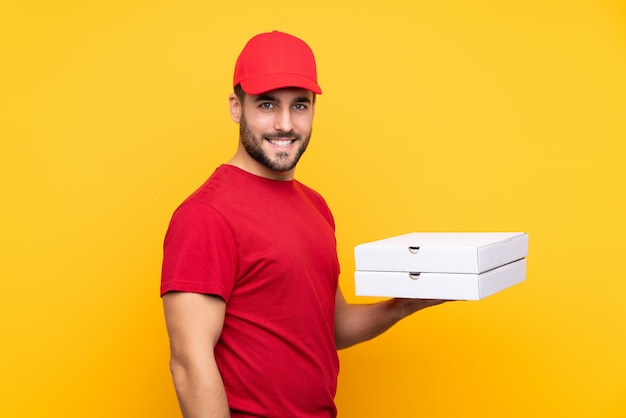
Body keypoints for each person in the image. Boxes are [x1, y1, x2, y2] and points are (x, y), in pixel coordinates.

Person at [161, 30, 446, 418]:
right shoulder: (206, 215)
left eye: (299, 105)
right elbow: (189, 362)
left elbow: (330, 329)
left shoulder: (315, 206)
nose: (285, 124)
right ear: (235, 107)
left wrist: (403, 306)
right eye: (266, 104)